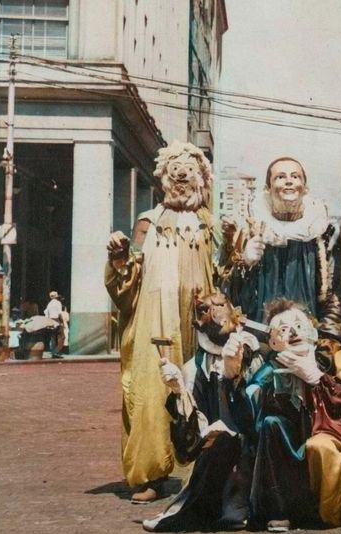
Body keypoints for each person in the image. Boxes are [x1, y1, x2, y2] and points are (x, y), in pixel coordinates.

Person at [105, 141, 217, 504]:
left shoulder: (210, 225)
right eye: (175, 170)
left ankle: (203, 472)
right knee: (153, 396)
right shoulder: (147, 223)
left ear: (202, 178)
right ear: (163, 178)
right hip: (156, 324)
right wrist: (120, 260)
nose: (182, 175)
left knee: (202, 392)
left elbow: (227, 274)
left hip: (200, 325)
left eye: (189, 169)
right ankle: (151, 475)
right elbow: (128, 283)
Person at [243, 299, 341, 532]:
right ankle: (281, 510)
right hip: (289, 456)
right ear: (272, 340)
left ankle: (332, 513)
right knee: (271, 423)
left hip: (329, 437)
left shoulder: (331, 355)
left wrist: (317, 378)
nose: (292, 332)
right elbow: (249, 403)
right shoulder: (272, 365)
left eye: (298, 325)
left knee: (319, 446)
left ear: (312, 328)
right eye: (283, 329)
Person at [143, 291, 261, 532]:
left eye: (220, 304)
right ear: (199, 322)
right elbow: (187, 447)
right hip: (218, 456)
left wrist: (234, 376)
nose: (217, 311)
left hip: (256, 449)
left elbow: (257, 408)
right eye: (207, 309)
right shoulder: (195, 369)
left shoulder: (254, 352)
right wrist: (179, 394)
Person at [222, 157, 339, 323]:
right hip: (262, 329)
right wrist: (245, 263)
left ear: (305, 188)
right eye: (280, 177)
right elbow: (228, 292)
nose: (289, 181)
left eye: (295, 176)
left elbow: (333, 291)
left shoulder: (321, 234)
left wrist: (327, 337)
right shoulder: (252, 230)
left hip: (305, 333)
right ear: (267, 189)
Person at [43, 291, 64, 359]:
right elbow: (59, 314)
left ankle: (54, 352)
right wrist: (62, 321)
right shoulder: (58, 303)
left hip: (50, 321)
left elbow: (46, 313)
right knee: (62, 337)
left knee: (53, 337)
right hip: (56, 320)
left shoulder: (49, 304)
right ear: (56, 296)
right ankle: (56, 352)